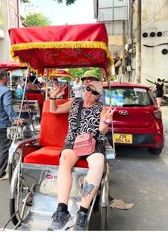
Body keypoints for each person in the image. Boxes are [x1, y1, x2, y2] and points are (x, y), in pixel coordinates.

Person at [47, 80, 115, 231]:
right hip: (73, 142)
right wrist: (52, 97)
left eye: (94, 92)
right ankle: (62, 210)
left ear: (98, 96)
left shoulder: (101, 108)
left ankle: (82, 212)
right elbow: (55, 110)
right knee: (64, 159)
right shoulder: (74, 103)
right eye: (88, 89)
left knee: (98, 163)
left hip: (93, 142)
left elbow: (102, 129)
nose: (89, 93)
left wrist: (106, 121)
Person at [0, 69, 24, 180]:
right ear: (4, 79)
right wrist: (16, 118)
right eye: (6, 78)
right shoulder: (6, 91)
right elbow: (8, 107)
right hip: (1, 125)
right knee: (5, 147)